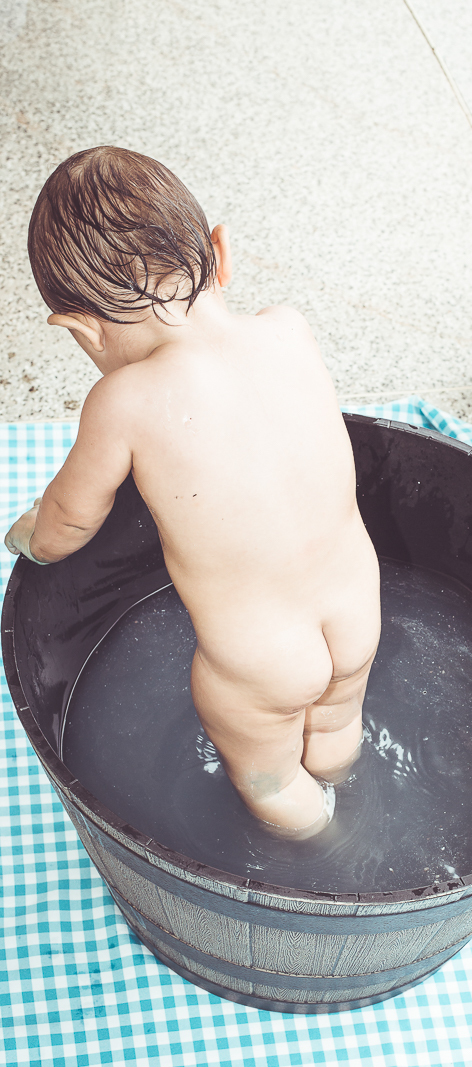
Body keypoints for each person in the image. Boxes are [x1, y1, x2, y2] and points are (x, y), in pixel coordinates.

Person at [4, 147, 381, 839]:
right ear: (221, 253)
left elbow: (68, 520)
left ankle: (323, 843)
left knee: (270, 777)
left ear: (81, 329)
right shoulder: (288, 331)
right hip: (358, 609)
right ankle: (342, 769)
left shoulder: (123, 403)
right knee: (333, 723)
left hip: (258, 662)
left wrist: (30, 537)